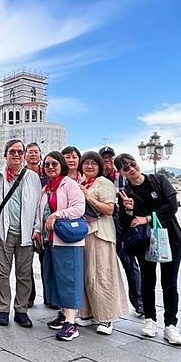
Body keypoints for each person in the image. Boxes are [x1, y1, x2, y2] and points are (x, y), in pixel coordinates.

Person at [116, 153, 181, 346]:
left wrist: (147, 218)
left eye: (132, 164)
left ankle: (171, 325)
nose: (131, 169)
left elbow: (172, 205)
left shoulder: (159, 180)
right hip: (144, 241)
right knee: (148, 280)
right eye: (125, 168)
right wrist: (129, 210)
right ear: (121, 172)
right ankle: (150, 319)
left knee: (169, 282)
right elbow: (126, 221)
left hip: (170, 238)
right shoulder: (125, 192)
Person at [0, 139, 41, 327]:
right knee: (2, 273)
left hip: (26, 234)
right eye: (12, 152)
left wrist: (37, 229)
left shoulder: (32, 177)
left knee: (24, 274)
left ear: (24, 155)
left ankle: (21, 310)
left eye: (19, 152)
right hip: (3, 232)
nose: (16, 155)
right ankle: (3, 309)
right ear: (5, 155)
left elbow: (38, 207)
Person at [76, 151, 128, 335]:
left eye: (94, 163)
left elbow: (109, 209)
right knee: (88, 276)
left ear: (99, 166)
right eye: (86, 163)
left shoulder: (103, 183)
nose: (89, 166)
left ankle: (106, 317)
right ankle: (88, 313)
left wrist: (88, 197)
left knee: (102, 275)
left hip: (101, 234)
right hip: (85, 234)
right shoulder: (82, 182)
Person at [36, 151, 86, 341]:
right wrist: (38, 230)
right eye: (47, 164)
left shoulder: (69, 184)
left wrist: (57, 215)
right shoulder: (47, 187)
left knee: (69, 279)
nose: (50, 167)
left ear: (62, 166)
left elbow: (79, 209)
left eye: (54, 164)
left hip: (68, 240)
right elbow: (41, 212)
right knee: (56, 279)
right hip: (51, 241)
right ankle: (64, 315)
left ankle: (71, 323)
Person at [100, 146, 144, 316]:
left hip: (121, 223)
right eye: (104, 159)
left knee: (128, 261)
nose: (107, 161)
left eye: (110, 159)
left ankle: (139, 301)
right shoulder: (97, 178)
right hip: (103, 223)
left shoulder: (122, 178)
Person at [25, 142, 49, 308]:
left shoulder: (46, 174)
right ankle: (29, 296)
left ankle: (49, 296)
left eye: (36, 152)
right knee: (25, 264)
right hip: (25, 222)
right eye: (30, 152)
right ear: (25, 156)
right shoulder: (22, 174)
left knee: (46, 262)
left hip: (44, 223)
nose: (33, 155)